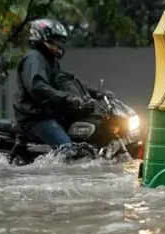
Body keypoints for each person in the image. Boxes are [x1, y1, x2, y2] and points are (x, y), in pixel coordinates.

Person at [13, 18, 100, 146]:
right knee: (68, 150)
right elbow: (37, 87)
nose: (59, 44)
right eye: (56, 39)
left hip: (51, 114)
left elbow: (64, 82)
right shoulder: (34, 59)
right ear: (43, 37)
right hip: (36, 118)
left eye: (60, 40)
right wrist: (68, 98)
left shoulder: (51, 61)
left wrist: (96, 93)